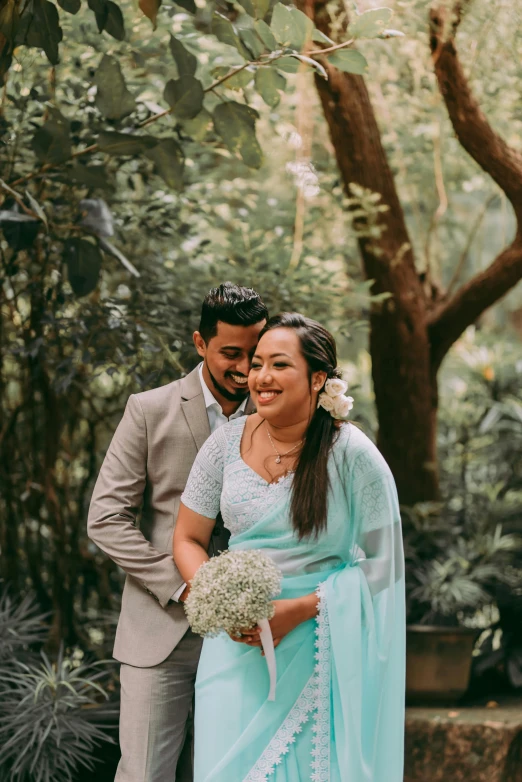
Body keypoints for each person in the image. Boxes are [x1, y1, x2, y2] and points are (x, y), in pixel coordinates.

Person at [174, 312, 405, 782]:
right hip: (234, 650)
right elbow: (188, 538)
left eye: (279, 365)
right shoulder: (222, 446)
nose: (261, 377)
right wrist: (222, 598)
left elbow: (385, 565)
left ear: (318, 378)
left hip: (318, 645)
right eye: (257, 364)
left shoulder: (354, 455)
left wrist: (299, 609)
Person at [87, 283, 268, 782]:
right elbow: (105, 518)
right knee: (145, 774)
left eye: (255, 353)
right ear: (199, 343)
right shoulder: (149, 410)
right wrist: (186, 586)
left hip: (249, 634)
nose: (244, 367)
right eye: (231, 352)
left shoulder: (279, 416)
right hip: (160, 628)